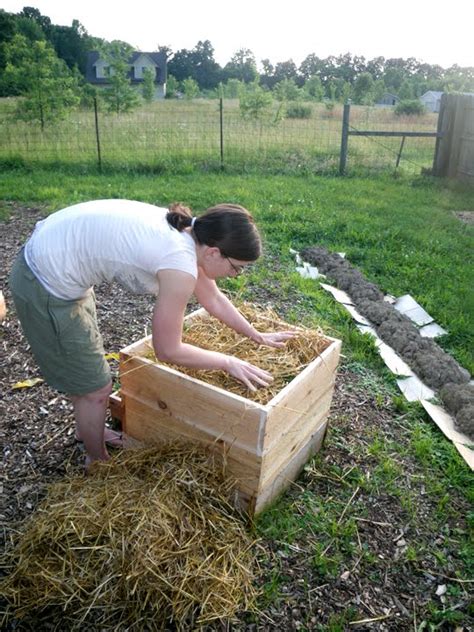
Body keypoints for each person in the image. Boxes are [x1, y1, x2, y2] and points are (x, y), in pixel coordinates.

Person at [9, 199, 294, 469]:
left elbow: (213, 299)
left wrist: (256, 335)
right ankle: (97, 461)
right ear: (214, 253)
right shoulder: (180, 264)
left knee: (85, 375)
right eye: (237, 268)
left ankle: (88, 431)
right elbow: (167, 350)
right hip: (45, 282)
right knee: (96, 389)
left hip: (57, 259)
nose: (236, 275)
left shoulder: (191, 233)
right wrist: (228, 361)